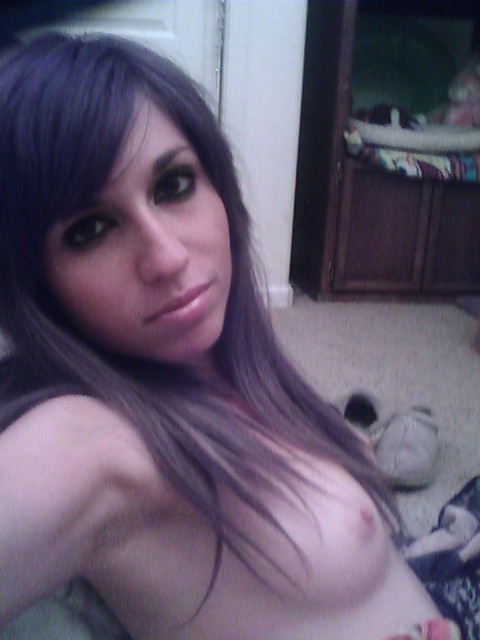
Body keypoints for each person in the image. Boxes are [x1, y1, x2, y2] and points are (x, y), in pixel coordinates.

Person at [0, 33, 463, 640]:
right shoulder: (94, 442)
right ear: (34, 285)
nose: (166, 257)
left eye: (173, 185)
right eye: (89, 230)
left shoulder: (234, 367)